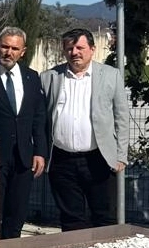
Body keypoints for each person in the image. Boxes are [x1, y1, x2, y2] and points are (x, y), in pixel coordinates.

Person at [41, 28, 131, 230]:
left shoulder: (111, 75)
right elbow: (41, 118)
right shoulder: (49, 77)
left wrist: (121, 155)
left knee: (104, 216)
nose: (74, 53)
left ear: (92, 49)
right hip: (61, 160)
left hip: (98, 158)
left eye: (80, 47)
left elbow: (122, 117)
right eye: (69, 48)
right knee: (71, 218)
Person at [0, 28, 49, 239]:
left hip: (23, 157)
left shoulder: (31, 77)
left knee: (17, 212)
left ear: (23, 52)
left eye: (15, 48)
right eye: (5, 46)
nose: (8, 52)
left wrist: (40, 151)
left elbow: (38, 117)